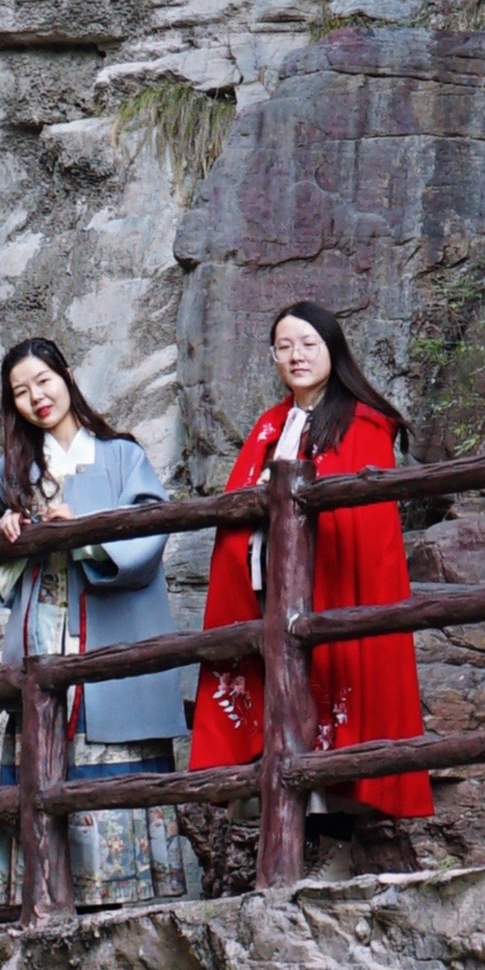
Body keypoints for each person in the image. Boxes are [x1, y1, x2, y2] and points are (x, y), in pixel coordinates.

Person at [186, 302, 431, 841]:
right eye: (284, 346)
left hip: (332, 588)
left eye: (308, 344)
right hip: (269, 592)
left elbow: (365, 526)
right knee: (283, 701)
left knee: (329, 695)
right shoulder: (270, 425)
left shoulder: (362, 423)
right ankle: (286, 824)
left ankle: (335, 836)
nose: (296, 356)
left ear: (332, 350)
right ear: (273, 356)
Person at [0, 337, 196, 908]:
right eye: (21, 392)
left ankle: (120, 896)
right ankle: (40, 894)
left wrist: (84, 527)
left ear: (66, 376)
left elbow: (150, 531)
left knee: (107, 755)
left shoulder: (122, 457)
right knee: (43, 754)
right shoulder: (12, 471)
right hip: (43, 637)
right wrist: (6, 529)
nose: (36, 398)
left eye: (43, 382)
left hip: (108, 636)